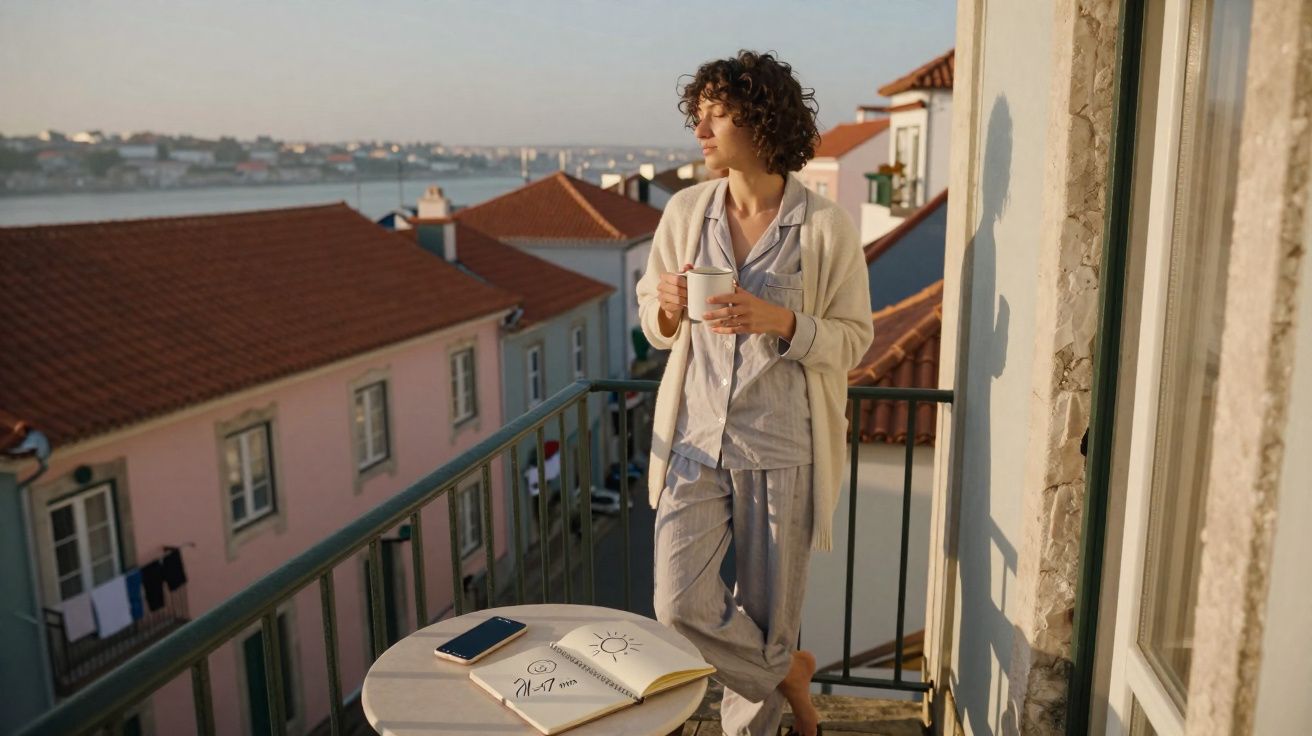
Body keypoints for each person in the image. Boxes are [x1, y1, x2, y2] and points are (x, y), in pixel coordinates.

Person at [634, 50, 874, 736]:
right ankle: (785, 671)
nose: (701, 131)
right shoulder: (686, 212)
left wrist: (783, 322)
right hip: (693, 443)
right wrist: (668, 308)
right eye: (699, 116)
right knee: (677, 605)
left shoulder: (824, 227)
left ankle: (758, 721)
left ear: (762, 122)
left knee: (770, 617)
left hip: (782, 448)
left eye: (717, 116)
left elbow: (855, 340)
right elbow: (652, 318)